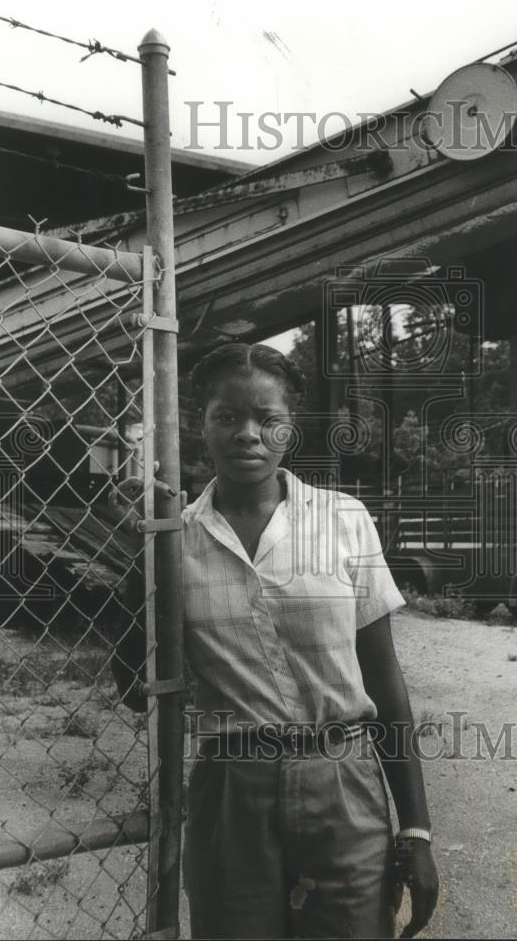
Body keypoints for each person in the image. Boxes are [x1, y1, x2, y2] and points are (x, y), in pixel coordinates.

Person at [110, 342, 438, 940]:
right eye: (227, 417)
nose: (247, 435)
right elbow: (134, 688)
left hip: (343, 782)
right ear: (198, 424)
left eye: (268, 420)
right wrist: (144, 562)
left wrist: (415, 829)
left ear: (291, 430)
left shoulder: (343, 521)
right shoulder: (172, 539)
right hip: (233, 791)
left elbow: (384, 679)